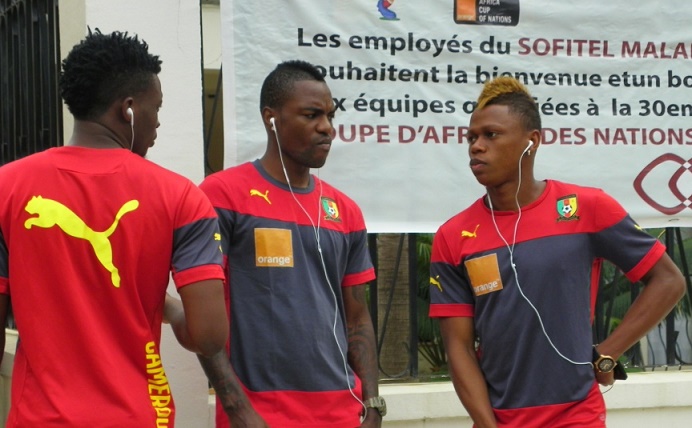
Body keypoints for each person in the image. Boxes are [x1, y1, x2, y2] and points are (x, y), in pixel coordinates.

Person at [0, 29, 228, 427]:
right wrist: (172, 311)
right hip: (138, 416)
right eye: (156, 107)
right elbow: (208, 337)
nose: (158, 122)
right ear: (129, 110)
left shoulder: (8, 187)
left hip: (39, 418)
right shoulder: (181, 197)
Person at [429, 76, 686, 427]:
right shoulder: (452, 236)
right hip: (500, 418)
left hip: (577, 414)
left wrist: (607, 354)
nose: (477, 147)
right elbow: (458, 347)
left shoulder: (587, 208)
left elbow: (668, 281)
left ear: (532, 141)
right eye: (472, 138)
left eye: (491, 135)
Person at [197, 60, 384, 427]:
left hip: (343, 415)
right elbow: (203, 315)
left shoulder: (345, 211)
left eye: (330, 116)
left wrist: (373, 403)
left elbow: (357, 316)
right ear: (271, 118)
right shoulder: (223, 196)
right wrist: (237, 409)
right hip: (261, 416)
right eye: (311, 115)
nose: (327, 127)